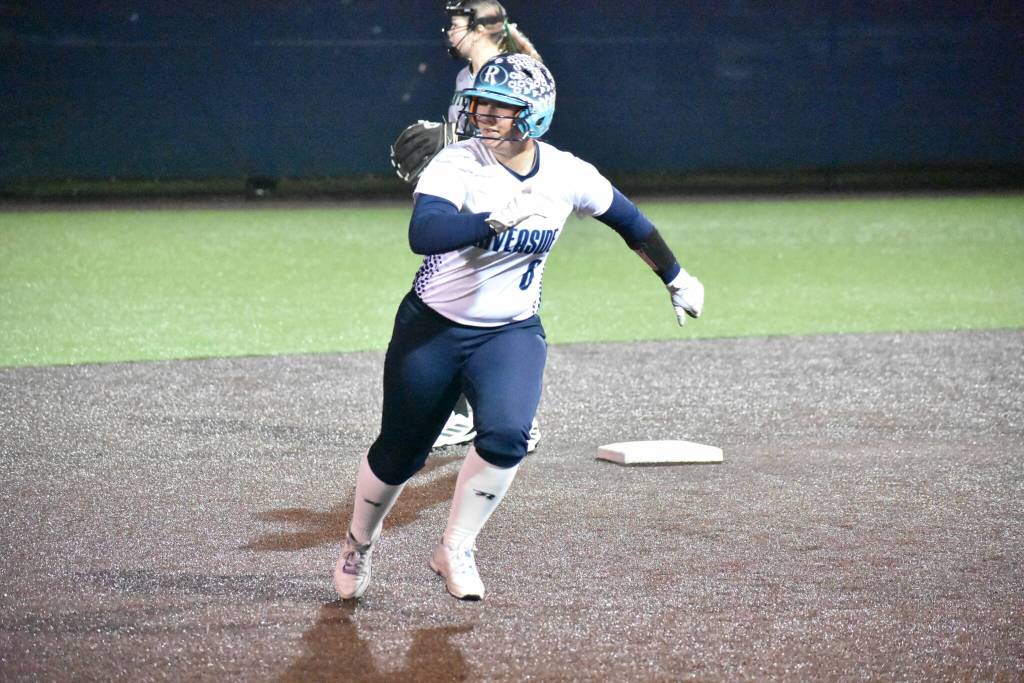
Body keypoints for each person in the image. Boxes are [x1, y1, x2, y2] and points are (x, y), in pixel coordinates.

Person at [336, 53, 704, 602]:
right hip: (432, 327)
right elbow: (424, 231)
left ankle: (455, 547)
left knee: (508, 435)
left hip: (508, 331)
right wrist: (488, 223)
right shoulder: (457, 164)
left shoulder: (566, 173)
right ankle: (358, 543)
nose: (484, 113)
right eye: (481, 102)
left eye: (501, 107)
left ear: (533, 114)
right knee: (400, 455)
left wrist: (676, 277)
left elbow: (632, 224)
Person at [391, 1, 543, 452]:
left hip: (503, 209)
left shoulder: (507, 75)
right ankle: (465, 415)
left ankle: (511, 419)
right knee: (455, 307)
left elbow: (521, 139)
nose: (447, 29)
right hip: (466, 205)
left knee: (480, 314)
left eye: (456, 21)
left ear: (478, 28)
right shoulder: (467, 79)